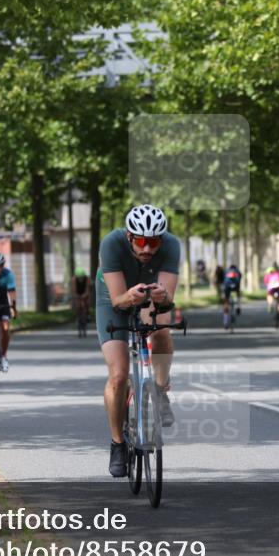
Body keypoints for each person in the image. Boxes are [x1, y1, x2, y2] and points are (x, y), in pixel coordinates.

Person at [96, 204, 181, 478]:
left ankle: (160, 390)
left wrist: (162, 297)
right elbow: (120, 299)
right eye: (141, 241)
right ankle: (117, 443)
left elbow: (168, 300)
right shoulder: (111, 243)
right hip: (113, 297)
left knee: (161, 331)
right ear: (130, 236)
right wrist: (129, 297)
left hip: (147, 295)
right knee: (119, 375)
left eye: (153, 242)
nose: (147, 249)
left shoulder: (171, 245)